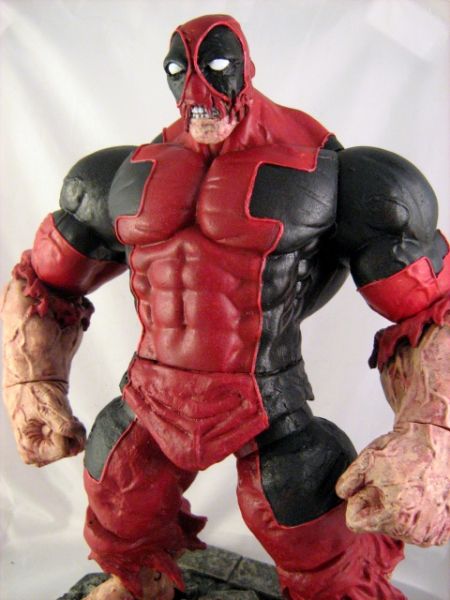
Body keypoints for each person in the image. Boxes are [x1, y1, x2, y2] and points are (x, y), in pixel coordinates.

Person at [1, 14, 449, 600]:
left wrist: (429, 432)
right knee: (116, 489)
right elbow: (45, 279)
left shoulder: (333, 174)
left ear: (245, 68)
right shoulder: (122, 174)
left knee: (305, 514)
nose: (197, 89)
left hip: (267, 394)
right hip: (152, 390)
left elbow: (430, 306)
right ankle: (142, 583)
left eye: (215, 68)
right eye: (178, 71)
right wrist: (32, 382)